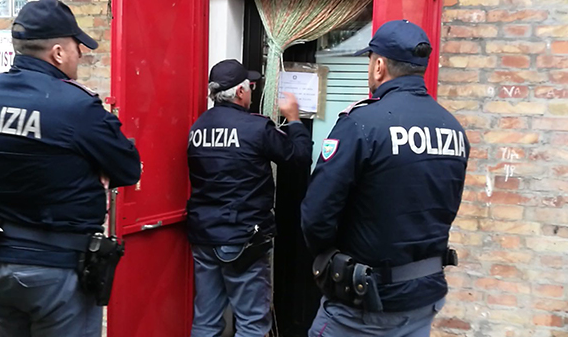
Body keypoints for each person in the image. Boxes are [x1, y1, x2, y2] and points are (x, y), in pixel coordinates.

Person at [0, 0, 141, 337]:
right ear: (59, 52)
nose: (81, 54)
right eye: (78, 47)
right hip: (56, 271)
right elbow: (128, 169)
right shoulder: (75, 105)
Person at [301, 20, 469, 337]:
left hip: (364, 305)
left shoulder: (362, 124)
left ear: (379, 66)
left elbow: (316, 216)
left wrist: (329, 256)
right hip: (423, 299)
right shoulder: (453, 128)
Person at [186, 59, 313, 337]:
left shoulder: (197, 127)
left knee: (206, 320)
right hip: (243, 239)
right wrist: (293, 119)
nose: (252, 92)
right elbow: (299, 158)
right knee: (252, 322)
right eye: (251, 87)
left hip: (204, 237)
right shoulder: (255, 128)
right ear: (241, 92)